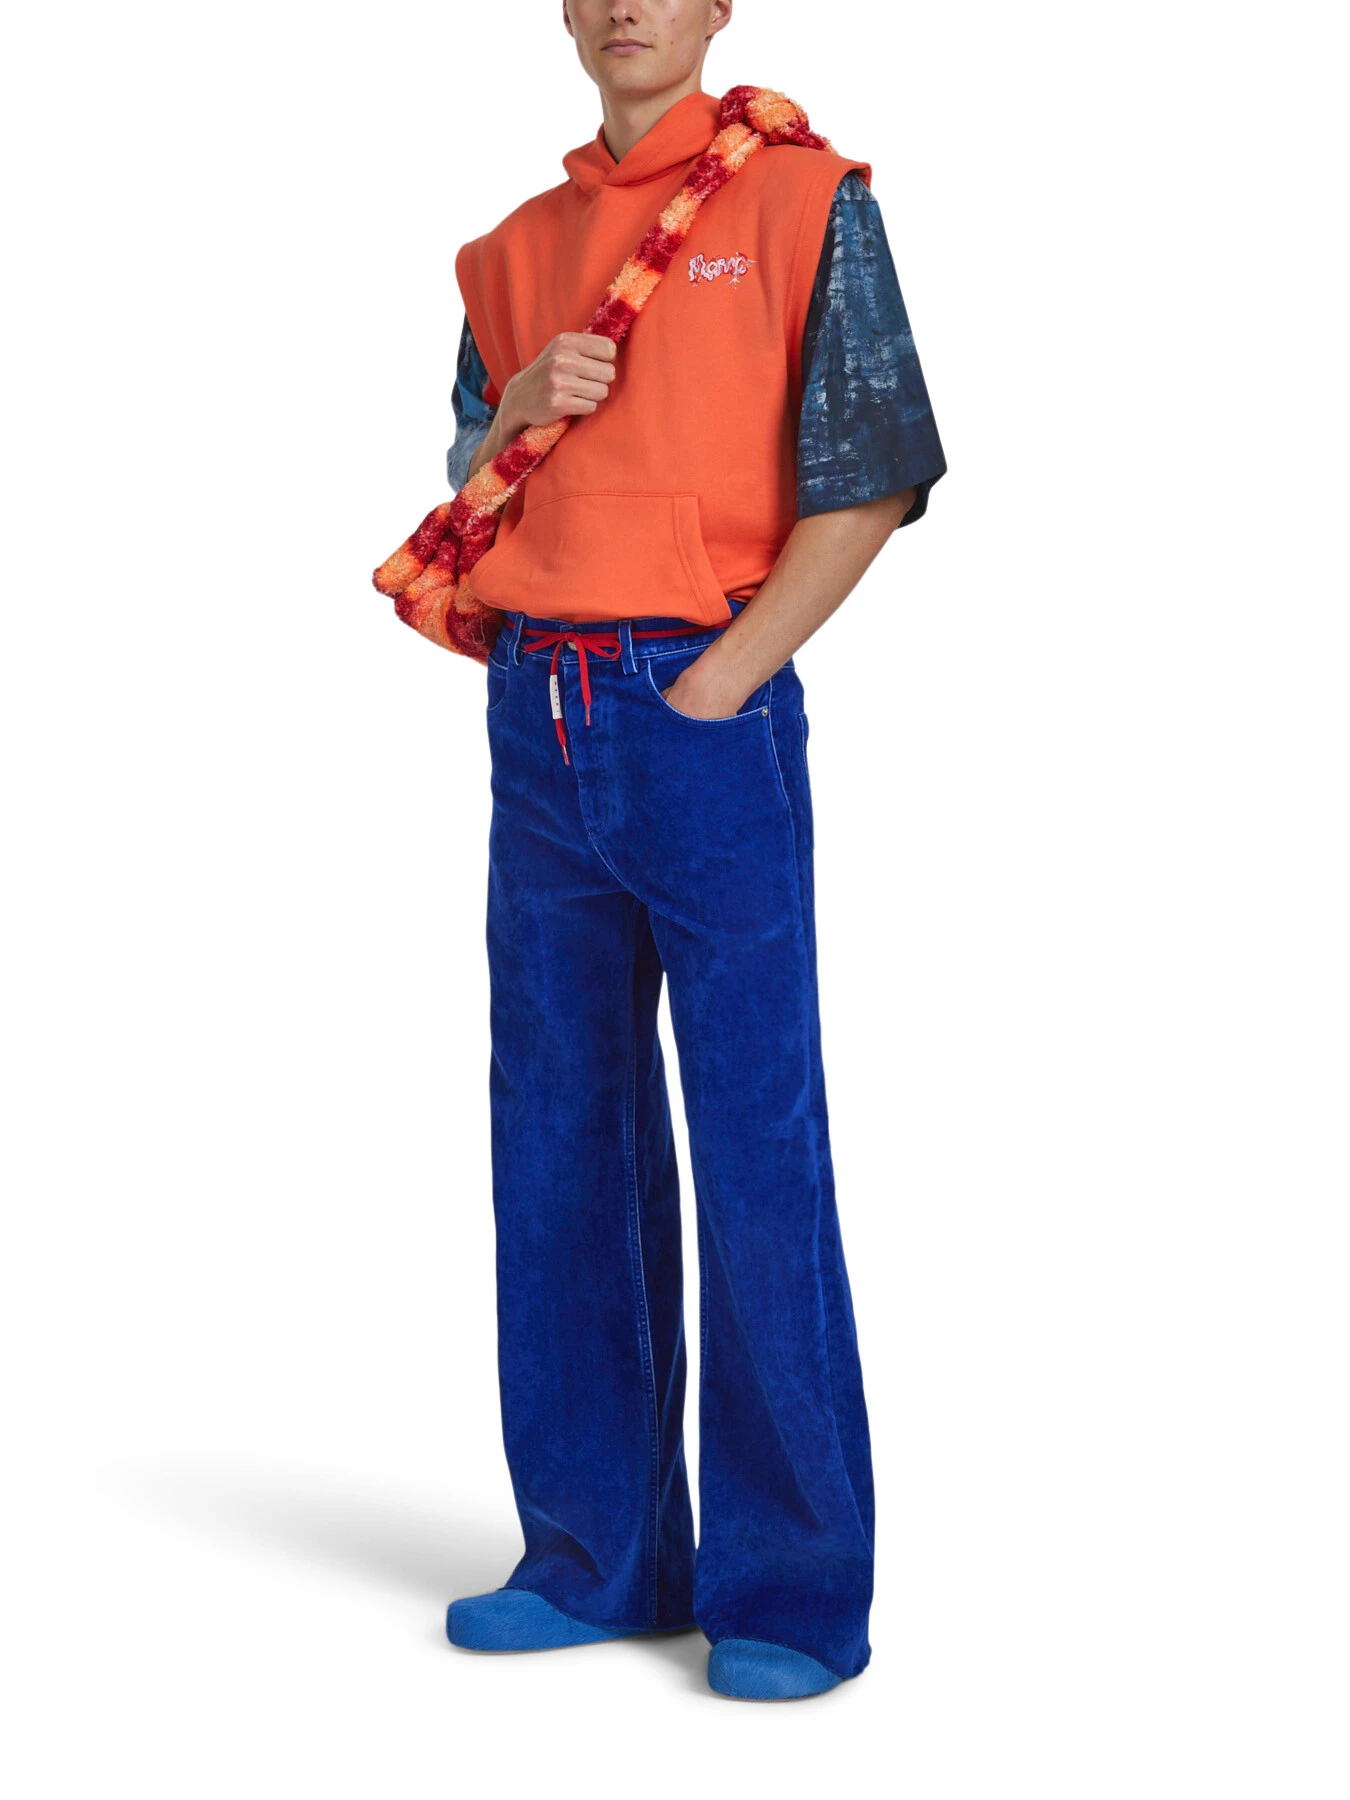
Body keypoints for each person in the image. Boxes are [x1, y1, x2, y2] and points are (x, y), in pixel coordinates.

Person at [438, 0, 945, 1701]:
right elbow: (473, 489)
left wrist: (723, 681)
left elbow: (870, 477)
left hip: (697, 707)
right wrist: (514, 405)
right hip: (537, 711)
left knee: (754, 1142)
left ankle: (790, 1596)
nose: (622, 7)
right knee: (557, 1141)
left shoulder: (805, 200)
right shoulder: (509, 250)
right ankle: (597, 1559)